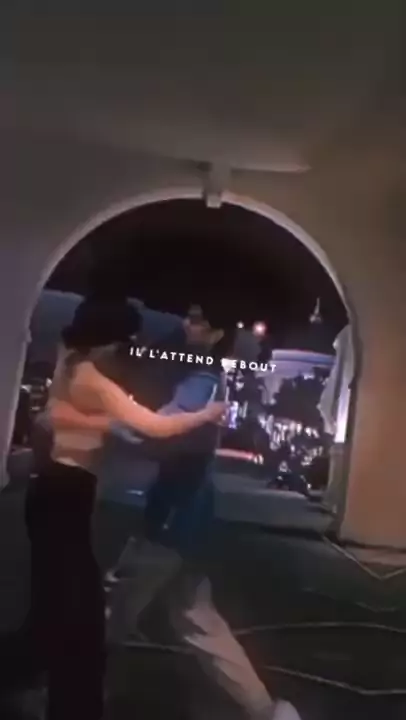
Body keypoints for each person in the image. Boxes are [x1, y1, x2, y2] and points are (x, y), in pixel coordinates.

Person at [24, 294, 225, 720]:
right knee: (81, 615)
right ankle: (70, 705)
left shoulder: (70, 363)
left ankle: (53, 692)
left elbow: (53, 419)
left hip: (54, 492)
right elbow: (155, 426)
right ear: (108, 337)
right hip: (68, 494)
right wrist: (208, 414)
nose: (127, 347)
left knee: (57, 607)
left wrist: (79, 422)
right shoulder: (94, 378)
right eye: (124, 339)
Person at [107, 302, 302, 720]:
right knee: (197, 618)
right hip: (188, 517)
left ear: (215, 334)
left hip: (171, 517)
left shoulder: (201, 379)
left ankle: (62, 694)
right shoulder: (204, 374)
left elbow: (156, 433)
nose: (186, 324)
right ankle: (268, 711)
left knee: (110, 611)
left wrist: (105, 416)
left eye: (197, 320)